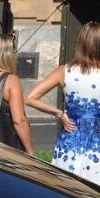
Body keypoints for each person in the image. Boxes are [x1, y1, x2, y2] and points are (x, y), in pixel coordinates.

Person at [26, 22, 100, 180]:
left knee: (65, 188)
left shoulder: (64, 71)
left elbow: (31, 98)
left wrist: (59, 113)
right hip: (96, 145)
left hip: (69, 144)